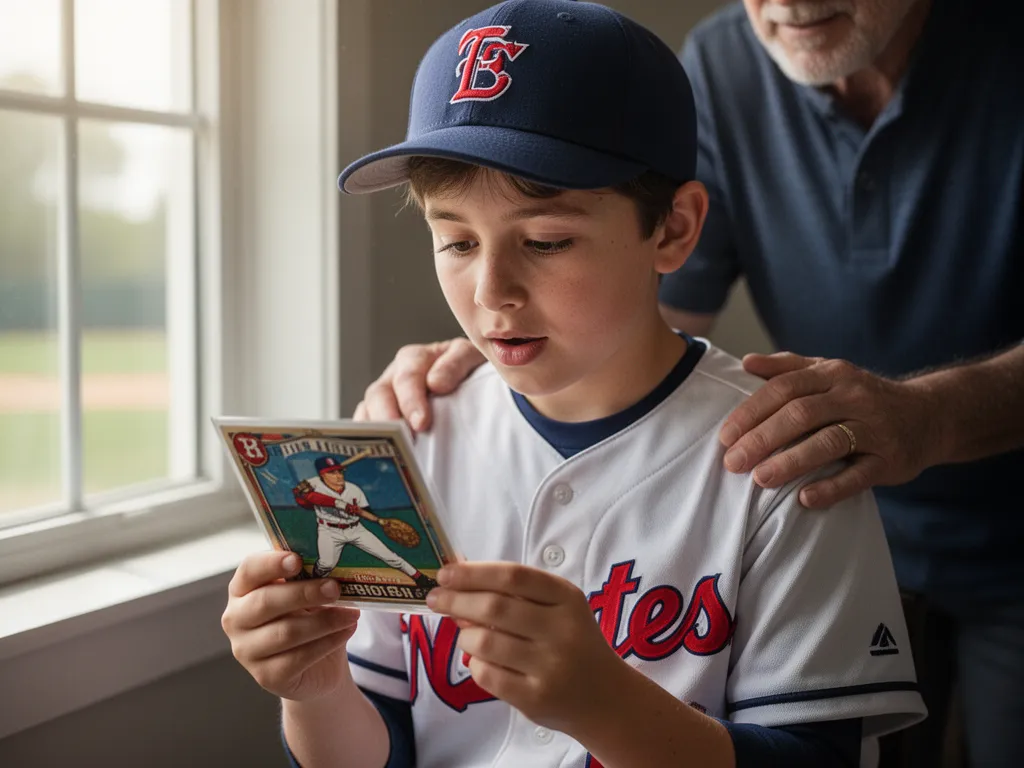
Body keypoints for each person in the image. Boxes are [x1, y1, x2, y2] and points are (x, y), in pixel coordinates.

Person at [221, 2, 926, 766]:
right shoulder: (417, 435)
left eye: (546, 240)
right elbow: (379, 749)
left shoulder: (787, 456)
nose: (492, 290)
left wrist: (606, 704)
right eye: (455, 239)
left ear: (675, 230)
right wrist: (316, 691)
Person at [293, 456, 437, 590]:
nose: (338, 476)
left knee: (390, 557)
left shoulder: (354, 489)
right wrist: (302, 495)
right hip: (329, 531)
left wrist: (379, 520)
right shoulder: (313, 484)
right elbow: (308, 500)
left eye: (339, 472)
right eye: (332, 473)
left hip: (355, 529)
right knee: (326, 564)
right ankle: (314, 581)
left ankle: (421, 579)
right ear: (322, 475)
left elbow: (365, 510)